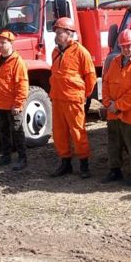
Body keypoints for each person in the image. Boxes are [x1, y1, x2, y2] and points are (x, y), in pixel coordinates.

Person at [48, 17, 97, 179]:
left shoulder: (81, 52)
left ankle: (84, 165)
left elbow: (90, 77)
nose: (55, 34)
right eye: (56, 31)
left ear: (69, 34)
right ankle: (65, 163)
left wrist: (83, 96)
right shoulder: (55, 52)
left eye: (59, 32)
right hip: (57, 98)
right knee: (59, 132)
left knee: (78, 132)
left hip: (73, 99)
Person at [101, 29, 131, 186]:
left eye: (129, 45)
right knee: (113, 143)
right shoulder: (115, 62)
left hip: (130, 113)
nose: (126, 49)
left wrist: (119, 105)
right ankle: (115, 170)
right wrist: (108, 103)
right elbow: (106, 83)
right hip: (113, 113)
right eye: (123, 46)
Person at [0, 30, 29, 170]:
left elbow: (22, 84)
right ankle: (6, 157)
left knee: (17, 131)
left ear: (11, 44)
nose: (0, 45)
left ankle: (22, 158)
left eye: (3, 42)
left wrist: (18, 104)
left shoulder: (17, 62)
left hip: (12, 105)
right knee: (3, 131)